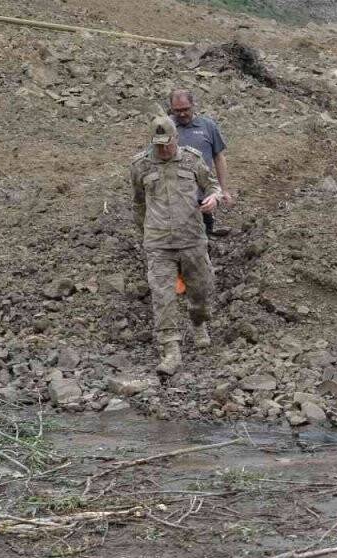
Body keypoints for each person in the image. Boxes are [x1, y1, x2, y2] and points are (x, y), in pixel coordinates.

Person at [130, 115, 223, 374]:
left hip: (192, 238)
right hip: (159, 243)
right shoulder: (140, 166)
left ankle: (198, 320)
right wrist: (146, 234)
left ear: (176, 138)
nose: (163, 149)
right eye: (158, 144)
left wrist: (214, 198)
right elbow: (138, 204)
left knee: (202, 290)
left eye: (167, 144)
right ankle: (170, 350)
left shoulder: (192, 160)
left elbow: (213, 185)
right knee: (163, 296)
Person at [168, 89, 233, 237]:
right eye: (177, 111)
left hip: (202, 195)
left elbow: (219, 158)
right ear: (171, 109)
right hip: (173, 197)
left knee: (203, 236)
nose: (182, 114)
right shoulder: (166, 127)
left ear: (193, 105)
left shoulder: (208, 126)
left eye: (186, 109)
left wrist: (224, 190)